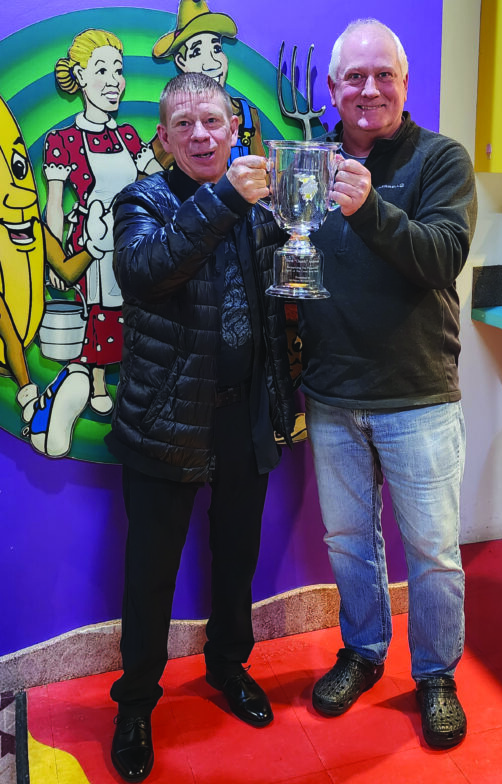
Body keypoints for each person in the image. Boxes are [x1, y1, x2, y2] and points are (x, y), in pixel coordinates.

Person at [105, 72, 294, 782]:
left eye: (212, 120)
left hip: (245, 413)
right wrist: (226, 198)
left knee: (236, 557)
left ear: (234, 128)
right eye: (183, 124)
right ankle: (135, 702)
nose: (200, 135)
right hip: (166, 418)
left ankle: (228, 666)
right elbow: (145, 270)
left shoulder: (258, 200)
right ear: (163, 138)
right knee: (150, 574)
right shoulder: (142, 201)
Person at [298, 19, 477, 750]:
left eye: (383, 75)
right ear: (332, 88)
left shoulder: (441, 159)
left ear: (405, 83)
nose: (369, 89)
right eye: (354, 77)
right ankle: (364, 651)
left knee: (433, 551)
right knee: (348, 541)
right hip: (332, 394)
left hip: (418, 394)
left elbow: (442, 257)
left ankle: (436, 675)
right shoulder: (309, 161)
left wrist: (369, 207)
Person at [40, 29, 160, 456]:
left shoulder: (128, 135)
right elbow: (55, 207)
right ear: (80, 77)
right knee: (98, 311)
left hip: (130, 238)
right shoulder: (62, 141)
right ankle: (92, 380)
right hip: (90, 240)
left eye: (118, 71)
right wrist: (55, 260)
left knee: (130, 307)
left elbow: (156, 178)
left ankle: (127, 378)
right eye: (102, 70)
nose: (114, 81)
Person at [151, 0, 265, 167]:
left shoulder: (246, 114)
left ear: (233, 127)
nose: (213, 63)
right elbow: (149, 167)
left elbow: (262, 171)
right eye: (197, 52)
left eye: (216, 49)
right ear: (181, 62)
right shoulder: (175, 119)